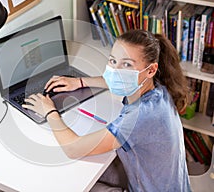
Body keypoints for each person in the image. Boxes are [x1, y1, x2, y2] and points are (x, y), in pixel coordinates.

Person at [22, 29, 191, 191]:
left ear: (151, 69)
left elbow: (73, 149)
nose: (116, 71)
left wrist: (50, 112)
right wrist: (80, 82)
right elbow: (118, 80)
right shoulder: (159, 88)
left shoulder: (140, 116)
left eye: (126, 64)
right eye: (112, 61)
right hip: (163, 182)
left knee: (67, 183)